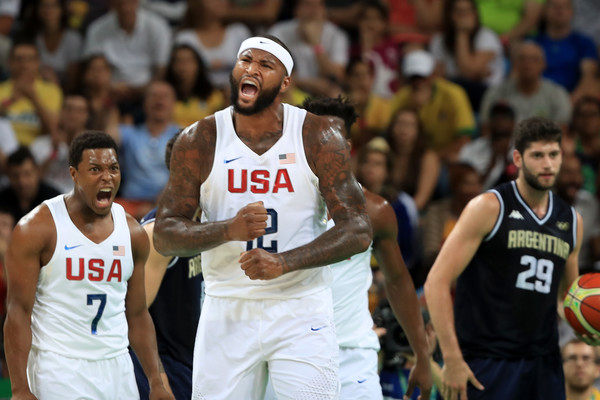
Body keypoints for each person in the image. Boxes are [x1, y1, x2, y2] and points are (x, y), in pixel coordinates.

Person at [153, 35, 372, 399]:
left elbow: (358, 229)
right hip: (227, 306)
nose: (251, 68)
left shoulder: (317, 135)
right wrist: (227, 229)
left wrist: (283, 262)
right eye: (245, 60)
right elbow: (165, 235)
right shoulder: (200, 139)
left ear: (285, 83)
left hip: (300, 307)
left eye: (265, 65)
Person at [3, 131, 174, 399]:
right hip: (58, 366)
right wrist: (20, 388)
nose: (107, 176)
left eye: (113, 168)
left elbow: (138, 314)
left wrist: (156, 381)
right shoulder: (36, 229)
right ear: (73, 174)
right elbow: (17, 312)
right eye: (95, 169)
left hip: (117, 367)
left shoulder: (133, 233)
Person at [424, 116, 583, 399]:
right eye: (537, 155)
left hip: (543, 364)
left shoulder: (571, 220)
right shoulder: (488, 207)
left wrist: (585, 322)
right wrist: (451, 358)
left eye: (553, 154)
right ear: (518, 158)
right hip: (487, 360)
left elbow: (566, 299)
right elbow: (437, 281)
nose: (547, 164)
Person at [302, 95, 432, 399]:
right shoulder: (273, 206)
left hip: (352, 357)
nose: (322, 146)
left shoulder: (374, 210)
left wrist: (422, 357)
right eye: (313, 138)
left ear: (347, 148)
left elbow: (399, 281)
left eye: (332, 138)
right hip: (289, 352)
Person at [131, 131, 204, 400]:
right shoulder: (159, 234)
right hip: (165, 369)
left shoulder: (206, 224)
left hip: (194, 364)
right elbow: (132, 316)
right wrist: (158, 380)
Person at [0, 146, 61, 223]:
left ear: (37, 172)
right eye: (15, 176)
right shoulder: (2, 200)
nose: (22, 182)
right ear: (8, 176)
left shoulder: (54, 199)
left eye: (27, 174)